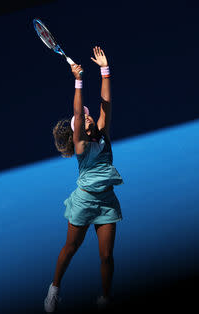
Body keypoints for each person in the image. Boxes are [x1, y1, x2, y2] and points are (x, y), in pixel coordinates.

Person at [45, 46, 124, 312]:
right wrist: (77, 79)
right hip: (83, 203)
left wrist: (105, 71)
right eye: (84, 117)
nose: (88, 116)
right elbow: (78, 113)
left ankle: (105, 297)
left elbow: (106, 104)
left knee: (106, 256)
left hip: (106, 201)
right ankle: (54, 290)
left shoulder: (103, 132)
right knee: (70, 247)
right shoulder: (80, 146)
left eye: (90, 115)